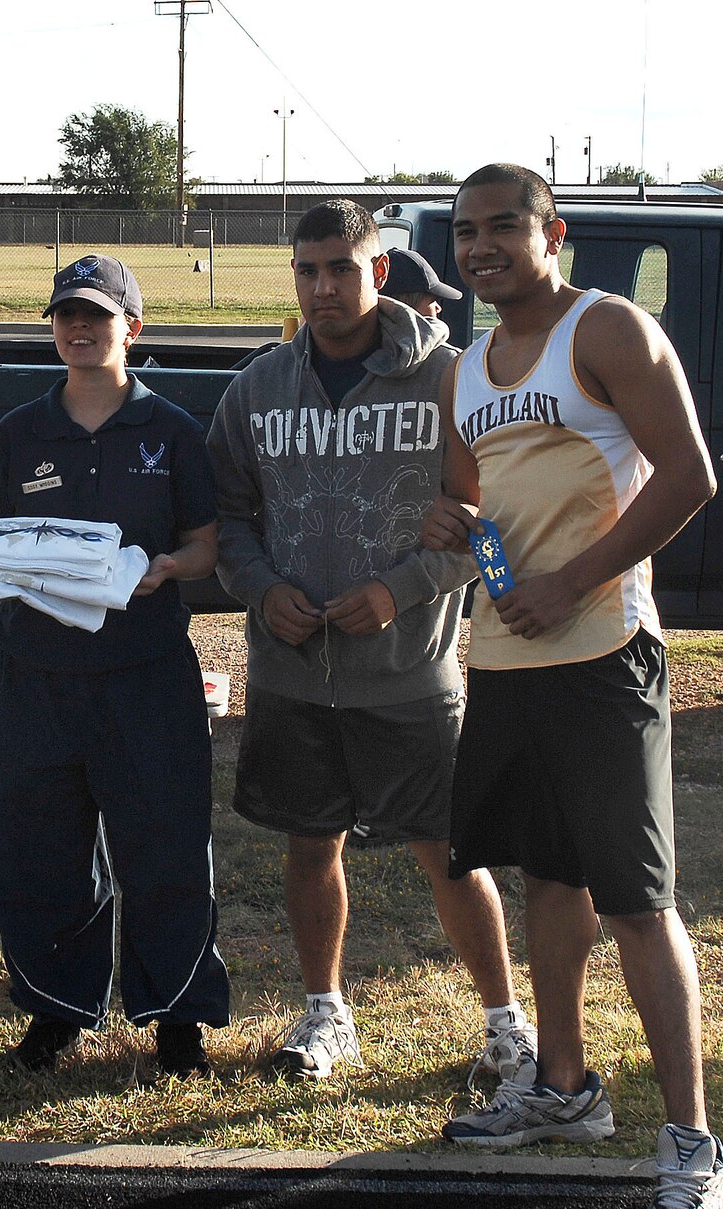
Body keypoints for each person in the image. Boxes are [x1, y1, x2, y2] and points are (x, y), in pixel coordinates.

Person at [423, 163, 723, 1209]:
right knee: (545, 876)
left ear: (551, 232)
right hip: (506, 657)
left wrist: (575, 580)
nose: (480, 247)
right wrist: (458, 530)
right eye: (464, 232)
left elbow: (688, 474)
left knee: (638, 901)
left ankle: (692, 1148)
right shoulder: (463, 366)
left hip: (604, 653)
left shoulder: (605, 330)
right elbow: (473, 499)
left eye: (503, 226)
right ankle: (560, 1086)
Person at [206, 199, 536, 1086]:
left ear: (378, 272)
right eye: (307, 271)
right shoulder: (258, 388)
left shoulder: (450, 380)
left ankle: (506, 1024)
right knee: (311, 842)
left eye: (340, 270)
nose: (323, 288)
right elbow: (228, 517)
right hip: (293, 674)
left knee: (449, 850)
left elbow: (491, 527)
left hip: (409, 674)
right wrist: (261, 588)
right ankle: (326, 1012)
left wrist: (399, 590)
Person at [0, 254, 230, 1079]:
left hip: (144, 668)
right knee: (39, 848)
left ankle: (177, 1016)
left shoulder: (173, 432)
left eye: (96, 315)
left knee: (163, 844)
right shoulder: (20, 432)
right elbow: (1, 539)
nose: (79, 329)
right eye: (65, 316)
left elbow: (205, 546)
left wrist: (162, 568)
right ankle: (57, 1009)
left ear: (134, 327)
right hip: (36, 673)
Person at [380, 248, 464, 320]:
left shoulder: (375, 337)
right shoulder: (429, 337)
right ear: (406, 306)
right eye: (432, 301)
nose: (438, 308)